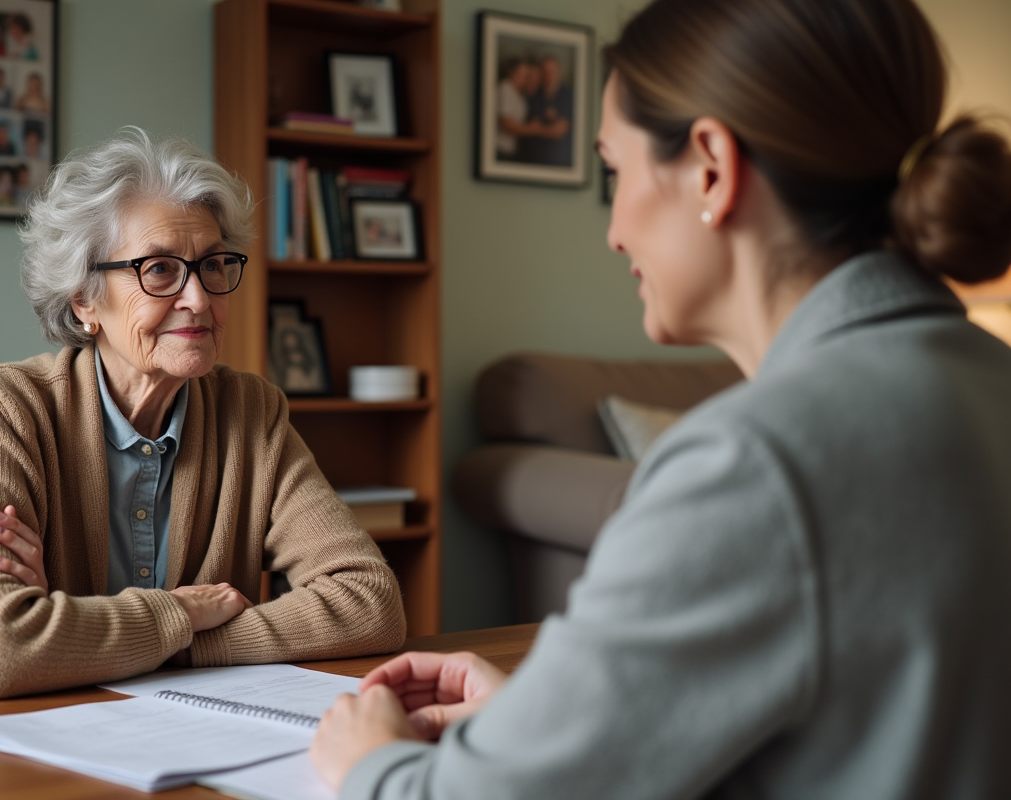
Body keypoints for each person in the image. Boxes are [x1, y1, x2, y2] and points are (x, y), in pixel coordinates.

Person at [311, 0, 1011, 797]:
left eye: (614, 171)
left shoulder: (749, 463)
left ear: (711, 167)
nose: (612, 231)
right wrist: (546, 728)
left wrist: (373, 764)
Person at [0, 128, 406, 699]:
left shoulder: (251, 412)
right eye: (161, 269)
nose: (199, 298)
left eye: (214, 265)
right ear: (84, 299)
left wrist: (172, 641)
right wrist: (180, 611)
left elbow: (371, 601)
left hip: (166, 734)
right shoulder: (2, 410)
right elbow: (1, 653)